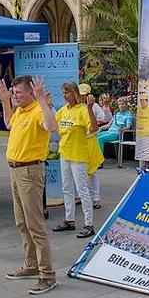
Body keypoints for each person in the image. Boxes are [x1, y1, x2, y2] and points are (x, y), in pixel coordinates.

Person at [0, 75, 59, 295]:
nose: (15, 96)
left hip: (30, 171)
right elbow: (8, 123)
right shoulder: (21, 111)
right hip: (15, 170)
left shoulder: (39, 110)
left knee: (35, 225)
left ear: (31, 93)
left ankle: (47, 275)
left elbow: (52, 126)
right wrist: (5, 101)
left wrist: (42, 100)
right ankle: (31, 264)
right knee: (22, 222)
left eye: (18, 93)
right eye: (13, 93)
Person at [54, 82, 97, 238]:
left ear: (74, 93)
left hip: (78, 156)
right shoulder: (63, 110)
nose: (64, 95)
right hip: (65, 154)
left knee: (82, 190)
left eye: (67, 92)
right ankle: (69, 219)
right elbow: (53, 125)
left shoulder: (83, 110)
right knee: (67, 188)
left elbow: (93, 128)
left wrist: (91, 109)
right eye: (63, 92)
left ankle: (89, 224)